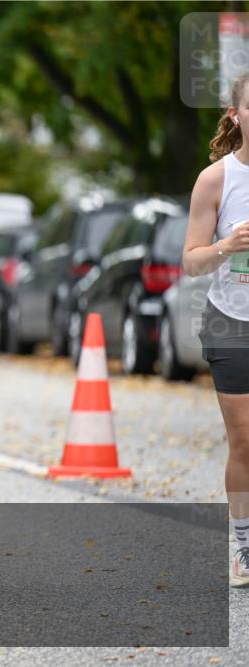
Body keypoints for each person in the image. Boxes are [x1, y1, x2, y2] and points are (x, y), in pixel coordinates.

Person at [185, 70, 249, 588]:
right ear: (236, 115)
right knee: (245, 441)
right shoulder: (217, 179)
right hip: (233, 320)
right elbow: (191, 262)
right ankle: (244, 545)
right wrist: (227, 247)